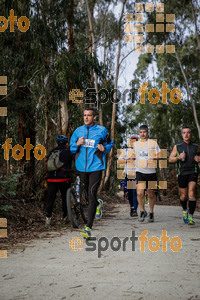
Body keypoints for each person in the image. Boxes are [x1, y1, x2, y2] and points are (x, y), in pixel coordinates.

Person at [70, 107, 114, 238]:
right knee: (89, 197)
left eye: (89, 115)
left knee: (91, 192)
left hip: (96, 166)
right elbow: (72, 149)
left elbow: (110, 143)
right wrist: (77, 143)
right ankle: (98, 203)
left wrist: (104, 148)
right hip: (81, 167)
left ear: (94, 117)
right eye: (84, 115)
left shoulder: (102, 131)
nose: (86, 117)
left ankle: (88, 227)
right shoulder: (78, 131)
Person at [169, 127, 200, 225]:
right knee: (183, 196)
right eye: (184, 133)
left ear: (191, 134)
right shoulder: (177, 146)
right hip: (182, 173)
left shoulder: (196, 146)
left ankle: (191, 216)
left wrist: (198, 158)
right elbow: (170, 159)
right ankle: (184, 210)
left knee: (191, 193)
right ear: (182, 134)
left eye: (188, 133)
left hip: (193, 171)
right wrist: (178, 157)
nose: (186, 134)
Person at [135, 125, 160, 222]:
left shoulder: (153, 143)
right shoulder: (135, 144)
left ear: (147, 133)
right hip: (140, 171)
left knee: (151, 194)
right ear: (139, 133)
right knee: (139, 192)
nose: (142, 134)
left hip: (151, 172)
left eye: (144, 132)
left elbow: (159, 155)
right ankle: (142, 211)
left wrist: (153, 158)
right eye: (141, 132)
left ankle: (151, 212)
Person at [46, 135, 73, 226]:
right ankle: (64, 218)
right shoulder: (68, 152)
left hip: (51, 179)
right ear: (66, 144)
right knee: (65, 198)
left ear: (57, 143)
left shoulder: (51, 152)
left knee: (50, 199)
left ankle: (48, 219)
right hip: (63, 179)